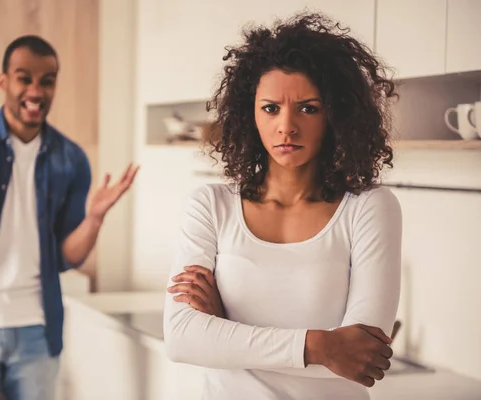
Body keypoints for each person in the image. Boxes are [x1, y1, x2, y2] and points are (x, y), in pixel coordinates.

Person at [163, 12, 402, 400]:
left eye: (308, 108)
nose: (286, 126)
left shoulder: (370, 208)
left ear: (334, 114)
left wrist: (224, 328)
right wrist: (322, 346)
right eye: (271, 108)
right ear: (249, 115)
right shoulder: (210, 205)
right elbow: (181, 340)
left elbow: (362, 361)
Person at [0, 35, 138, 400]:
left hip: (37, 332)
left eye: (47, 80)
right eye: (25, 78)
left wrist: (95, 219)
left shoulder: (71, 160)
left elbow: (67, 257)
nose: (36, 90)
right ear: (4, 81)